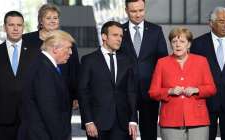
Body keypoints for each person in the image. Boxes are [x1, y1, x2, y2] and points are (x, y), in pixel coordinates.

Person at [149, 27, 216, 140]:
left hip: (198, 120)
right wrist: (169, 91)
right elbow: (153, 92)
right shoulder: (162, 63)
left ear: (189, 44)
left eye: (182, 41)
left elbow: (212, 88)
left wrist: (197, 90)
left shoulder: (201, 61)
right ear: (170, 44)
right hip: (171, 121)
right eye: (174, 41)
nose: (178, 45)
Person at [190, 7, 225, 140]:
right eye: (221, 21)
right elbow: (194, 72)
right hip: (206, 102)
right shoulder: (198, 44)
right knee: (207, 136)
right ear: (211, 23)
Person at [78, 21, 138, 140]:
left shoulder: (127, 61)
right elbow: (83, 92)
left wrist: (133, 120)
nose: (119, 39)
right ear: (104, 36)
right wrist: (88, 121)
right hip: (97, 123)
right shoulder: (88, 60)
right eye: (115, 35)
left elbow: (131, 91)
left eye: (121, 36)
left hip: (122, 123)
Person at [121, 0, 168, 139]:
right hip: (124, 90)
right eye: (133, 11)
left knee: (149, 132)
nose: (137, 14)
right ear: (126, 10)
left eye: (141, 10)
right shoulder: (119, 31)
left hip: (150, 90)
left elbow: (163, 60)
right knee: (126, 131)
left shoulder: (156, 30)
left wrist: (160, 86)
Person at [22, 3, 80, 111]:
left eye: (55, 18)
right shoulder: (26, 40)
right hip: (33, 93)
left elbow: (75, 69)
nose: (52, 21)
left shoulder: (67, 40)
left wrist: (75, 95)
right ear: (40, 20)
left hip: (62, 94)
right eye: (48, 18)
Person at [23, 30, 75, 140]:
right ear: (55, 48)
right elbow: (49, 111)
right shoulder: (44, 69)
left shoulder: (44, 64)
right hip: (44, 134)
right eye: (68, 48)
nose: (71, 52)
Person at [0, 11, 38, 140]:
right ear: (4, 27)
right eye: (11, 25)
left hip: (29, 118)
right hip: (1, 119)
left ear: (23, 27)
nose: (15, 29)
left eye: (19, 25)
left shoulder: (36, 53)